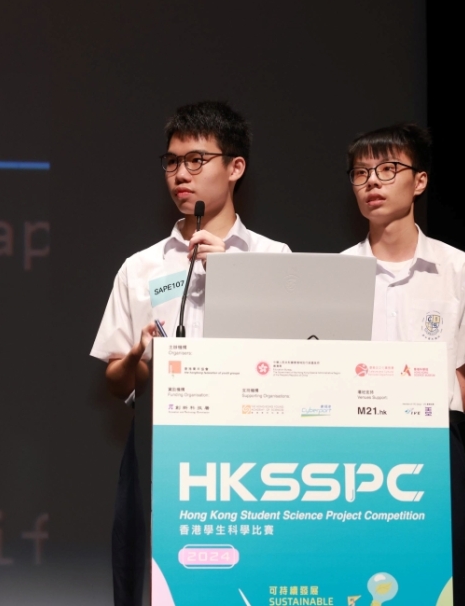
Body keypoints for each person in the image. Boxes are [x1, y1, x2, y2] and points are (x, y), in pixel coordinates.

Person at [90, 101, 290, 606]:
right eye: (172, 162)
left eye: (197, 160)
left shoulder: (273, 258)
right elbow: (115, 380)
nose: (181, 174)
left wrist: (236, 281)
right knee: (150, 578)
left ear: (235, 167)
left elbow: (294, 361)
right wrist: (136, 358)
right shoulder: (141, 267)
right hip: (160, 442)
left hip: (251, 449)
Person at [341, 123, 465, 606]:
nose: (372, 181)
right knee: (354, 580)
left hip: (432, 447)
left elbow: (464, 386)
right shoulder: (336, 272)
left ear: (420, 181)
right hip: (353, 451)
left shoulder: (458, 270)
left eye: (388, 169)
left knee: (434, 586)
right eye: (361, 172)